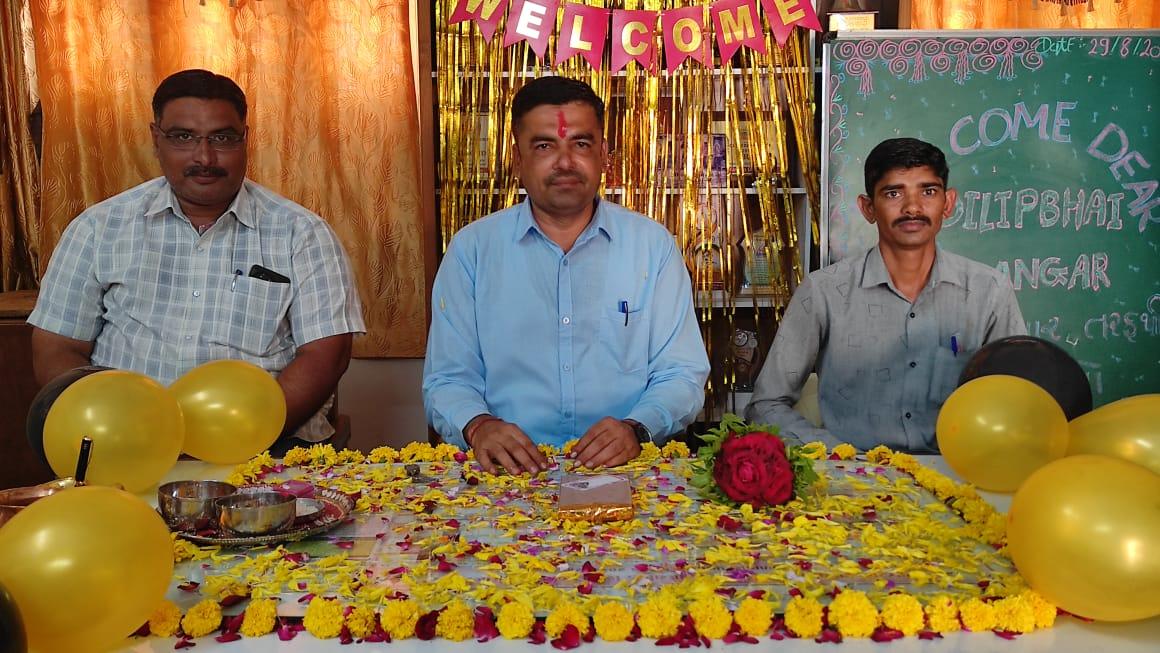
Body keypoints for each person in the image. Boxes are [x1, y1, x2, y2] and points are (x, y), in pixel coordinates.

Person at [28, 69, 365, 453]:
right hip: (122, 444)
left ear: (245, 139)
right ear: (156, 138)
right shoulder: (98, 228)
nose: (204, 157)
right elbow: (57, 348)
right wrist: (110, 422)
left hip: (263, 446)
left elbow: (325, 355)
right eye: (183, 137)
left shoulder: (302, 234)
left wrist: (249, 432)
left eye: (222, 138)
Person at [423, 75, 709, 474]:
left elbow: (681, 373)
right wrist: (479, 425)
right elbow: (448, 378)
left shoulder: (652, 247)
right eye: (544, 146)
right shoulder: (473, 251)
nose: (565, 162)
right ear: (517, 158)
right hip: (506, 474)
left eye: (581, 144)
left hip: (629, 470)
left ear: (604, 155)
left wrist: (636, 428)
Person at [746, 137, 1025, 452]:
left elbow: (1019, 401)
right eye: (894, 193)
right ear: (868, 208)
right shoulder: (824, 291)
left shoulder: (989, 290)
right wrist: (836, 454)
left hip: (958, 471)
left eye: (928, 191)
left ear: (948, 203)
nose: (912, 208)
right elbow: (766, 405)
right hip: (853, 475)